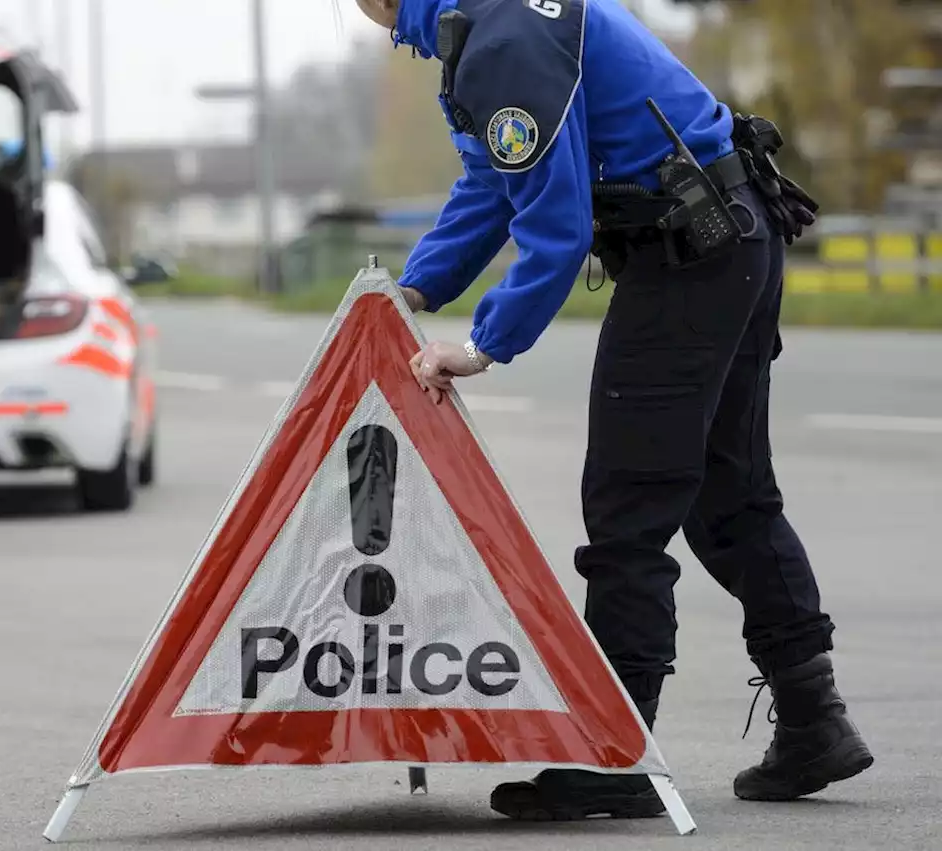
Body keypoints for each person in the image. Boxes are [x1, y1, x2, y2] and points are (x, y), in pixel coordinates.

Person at [352, 0, 872, 820]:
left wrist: (483, 344)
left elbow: (554, 226)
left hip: (690, 251)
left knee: (628, 505)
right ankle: (815, 722)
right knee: (729, 495)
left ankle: (617, 752)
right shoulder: (492, 22)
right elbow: (495, 179)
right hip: (732, 234)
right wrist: (414, 287)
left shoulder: (503, 41)